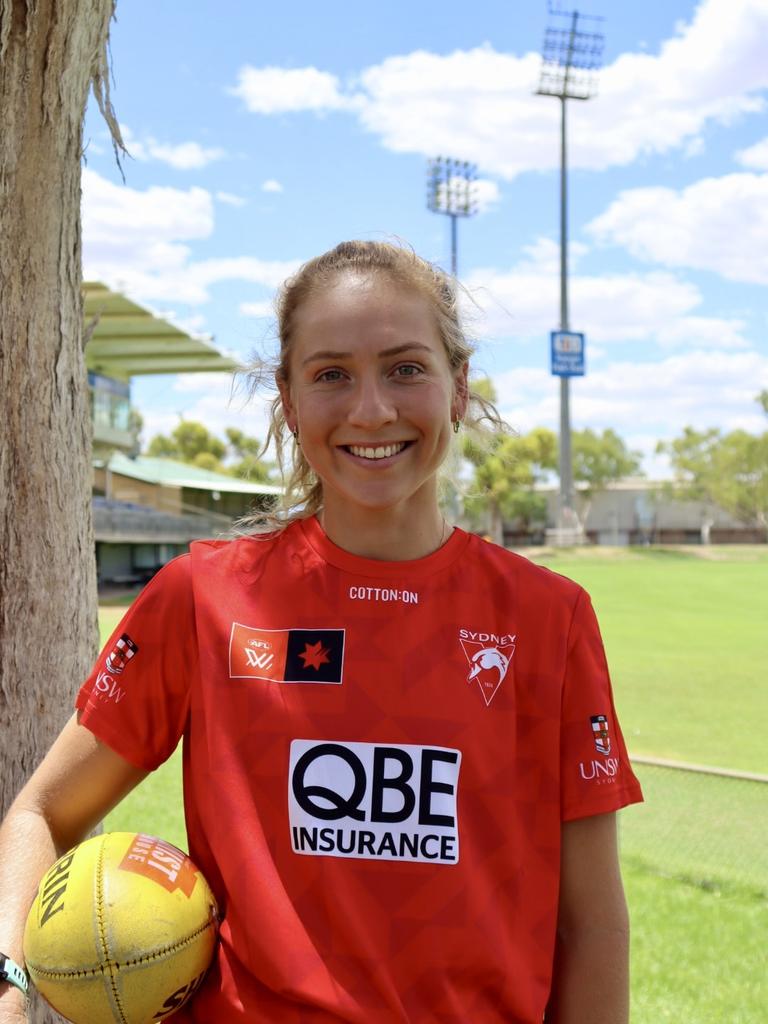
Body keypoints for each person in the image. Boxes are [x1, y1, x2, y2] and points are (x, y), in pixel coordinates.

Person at [0, 240, 642, 1023]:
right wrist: (11, 983)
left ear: (459, 386)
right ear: (288, 399)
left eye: (406, 368)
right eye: (331, 374)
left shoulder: (549, 618)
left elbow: (594, 926)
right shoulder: (202, 596)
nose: (371, 409)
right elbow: (39, 814)